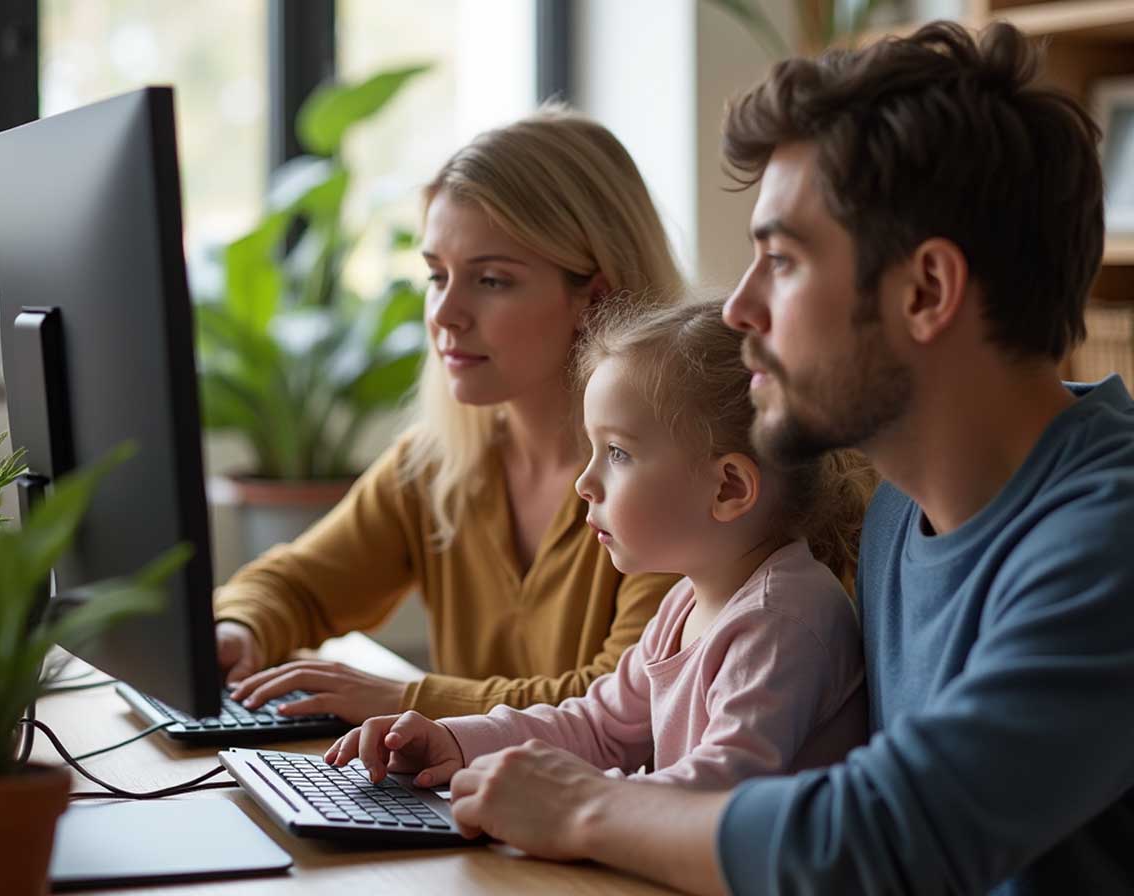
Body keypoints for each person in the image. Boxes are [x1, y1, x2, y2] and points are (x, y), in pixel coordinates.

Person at [434, 21, 1134, 896]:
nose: (739, 309)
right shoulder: (897, 516)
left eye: (782, 261)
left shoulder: (1108, 540)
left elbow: (879, 837)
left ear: (926, 291)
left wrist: (579, 806)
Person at [215, 106, 684, 723]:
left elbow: (626, 707)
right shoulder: (438, 464)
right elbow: (294, 584)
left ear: (594, 297)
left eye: (490, 281)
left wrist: (405, 700)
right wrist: (240, 630)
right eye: (437, 275)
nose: (445, 314)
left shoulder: (680, 471)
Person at [325, 300, 873, 789]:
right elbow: (599, 725)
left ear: (728, 487)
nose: (584, 483)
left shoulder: (782, 621)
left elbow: (719, 788)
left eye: (617, 453)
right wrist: (457, 741)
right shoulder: (688, 601)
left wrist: (566, 799)